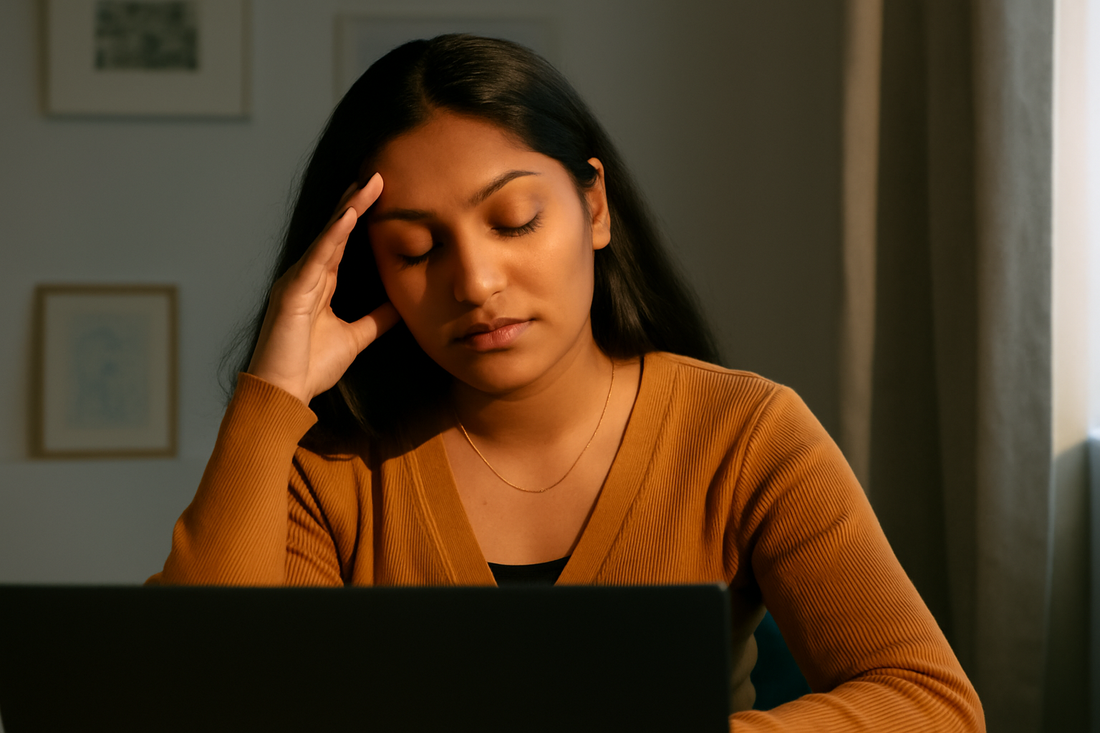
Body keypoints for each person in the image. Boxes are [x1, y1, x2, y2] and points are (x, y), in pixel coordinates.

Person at [147, 35, 984, 730]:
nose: (474, 281)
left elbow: (930, 701)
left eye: (513, 220)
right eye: (415, 249)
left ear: (593, 208)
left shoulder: (745, 431)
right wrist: (271, 396)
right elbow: (187, 700)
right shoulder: (333, 471)